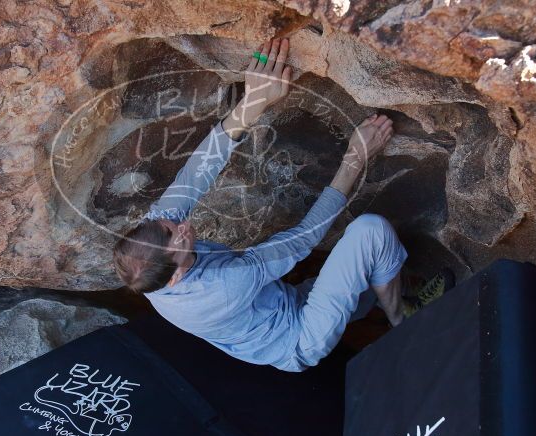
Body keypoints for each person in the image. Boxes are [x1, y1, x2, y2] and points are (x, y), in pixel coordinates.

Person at [113, 37, 451, 372]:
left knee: (365, 271)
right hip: (299, 337)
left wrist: (253, 102)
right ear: (175, 277)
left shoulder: (154, 249)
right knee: (370, 232)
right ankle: (401, 320)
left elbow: (196, 172)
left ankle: (390, 290)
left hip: (280, 301)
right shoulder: (224, 286)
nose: (183, 225)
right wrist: (355, 157)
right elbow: (303, 238)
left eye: (171, 226)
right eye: (180, 238)